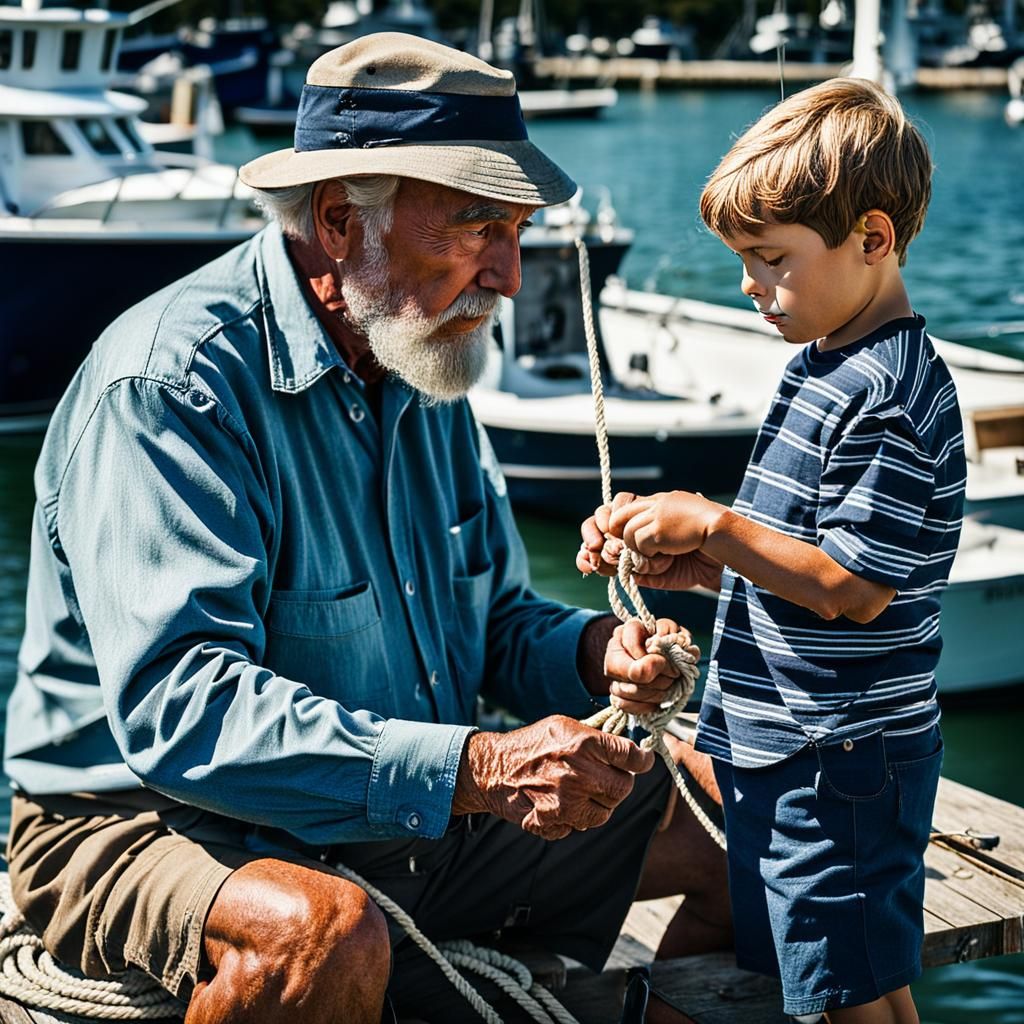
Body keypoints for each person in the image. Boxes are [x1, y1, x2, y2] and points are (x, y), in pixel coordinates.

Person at [4, 33, 729, 1024]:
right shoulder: (170, 387)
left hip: (389, 820)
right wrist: (479, 767)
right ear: (341, 220)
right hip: (135, 819)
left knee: (744, 819)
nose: (510, 274)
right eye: (478, 226)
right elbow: (184, 712)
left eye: (516, 231)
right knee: (323, 935)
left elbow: (495, 620)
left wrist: (600, 649)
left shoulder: (424, 358)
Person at [579, 78, 966, 1024]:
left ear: (873, 239)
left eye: (771, 259)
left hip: (840, 759)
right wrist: (693, 566)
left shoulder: (890, 395)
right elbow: (803, 557)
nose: (750, 284)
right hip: (779, 749)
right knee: (797, 969)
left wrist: (711, 523)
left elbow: (854, 586)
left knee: (856, 991)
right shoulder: (823, 368)